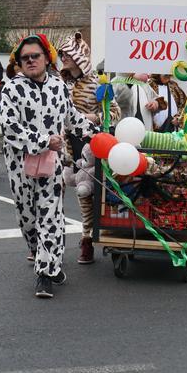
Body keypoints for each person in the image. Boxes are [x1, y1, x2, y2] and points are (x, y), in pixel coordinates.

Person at [0, 34, 98, 299]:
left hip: (52, 164)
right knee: (27, 218)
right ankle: (45, 258)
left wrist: (99, 136)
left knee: (50, 216)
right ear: (19, 62)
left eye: (35, 56)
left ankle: (45, 273)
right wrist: (43, 140)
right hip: (20, 165)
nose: (30, 60)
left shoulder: (58, 86)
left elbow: (73, 119)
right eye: (25, 58)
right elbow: (10, 128)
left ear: (46, 58)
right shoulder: (11, 89)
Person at [57, 32, 121, 265]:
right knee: (59, 193)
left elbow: (115, 113)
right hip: (64, 145)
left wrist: (94, 117)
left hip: (89, 146)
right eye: (62, 54)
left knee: (87, 194)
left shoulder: (97, 83)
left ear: (79, 57)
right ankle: (50, 242)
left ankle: (88, 241)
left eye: (67, 54)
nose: (63, 57)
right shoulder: (60, 83)